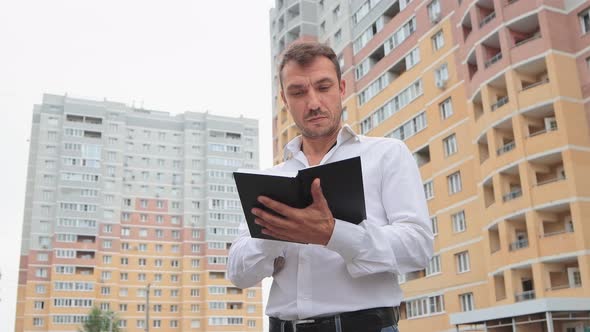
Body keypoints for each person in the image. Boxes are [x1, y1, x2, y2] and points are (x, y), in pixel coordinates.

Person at [227, 41, 433, 332]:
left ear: (341, 88)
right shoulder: (270, 181)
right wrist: (277, 231)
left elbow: (418, 247)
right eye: (298, 92)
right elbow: (238, 273)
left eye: (323, 87)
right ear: (285, 100)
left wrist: (333, 234)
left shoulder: (387, 155)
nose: (313, 103)